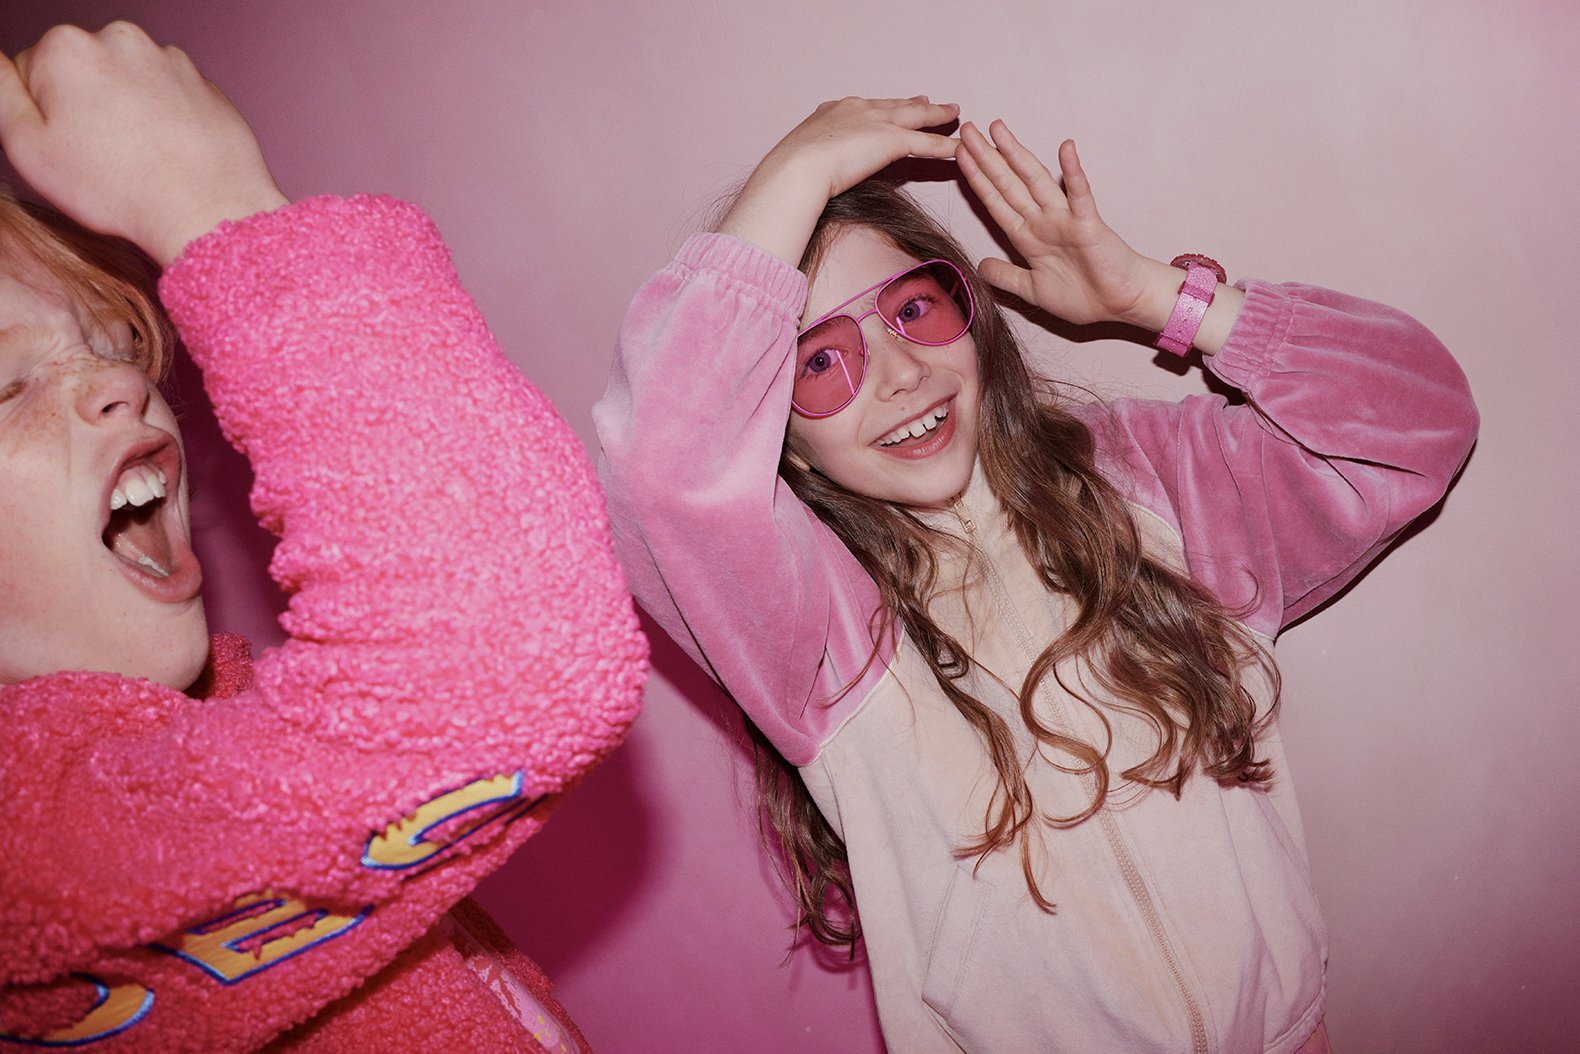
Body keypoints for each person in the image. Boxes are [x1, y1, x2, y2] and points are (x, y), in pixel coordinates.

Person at [596, 96, 1478, 1053]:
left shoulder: (1154, 483)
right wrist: (796, 169)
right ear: (785, 445)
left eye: (913, 310)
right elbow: (660, 469)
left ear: (969, 318)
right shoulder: (818, 635)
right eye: (820, 362)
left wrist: (1156, 298)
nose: (899, 372)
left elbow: (1414, 423)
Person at [0, 22, 646, 1053]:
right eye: (9, 386)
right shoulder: (27, 848)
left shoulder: (216, 726)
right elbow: (511, 660)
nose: (122, 383)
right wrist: (207, 200)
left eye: (117, 346)